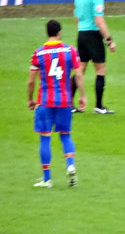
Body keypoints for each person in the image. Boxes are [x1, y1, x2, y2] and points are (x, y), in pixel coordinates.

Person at [28, 20, 86, 188]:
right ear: (59, 32)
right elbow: (79, 75)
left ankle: (47, 179)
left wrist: (30, 99)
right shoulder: (70, 51)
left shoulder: (38, 54)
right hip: (64, 101)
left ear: (47, 33)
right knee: (65, 135)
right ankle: (70, 165)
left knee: (45, 138)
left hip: (45, 101)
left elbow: (31, 81)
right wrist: (82, 95)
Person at [73, 0, 116, 115]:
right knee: (100, 69)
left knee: (80, 69)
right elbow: (98, 20)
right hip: (93, 35)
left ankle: (69, 104)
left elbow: (76, 18)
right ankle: (99, 106)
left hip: (81, 34)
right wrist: (109, 40)